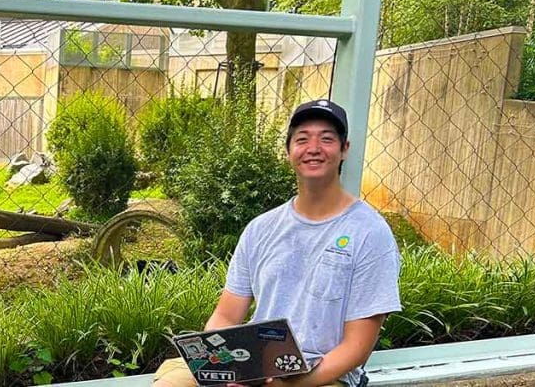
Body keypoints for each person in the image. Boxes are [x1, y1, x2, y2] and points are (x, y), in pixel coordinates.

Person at [152, 99, 402, 387]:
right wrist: (229, 370)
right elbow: (225, 315)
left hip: (323, 375)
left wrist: (287, 385)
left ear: (345, 149)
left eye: (327, 139)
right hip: (254, 366)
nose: (313, 148)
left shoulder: (370, 232)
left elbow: (356, 347)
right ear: (288, 151)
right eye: (302, 139)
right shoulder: (261, 229)